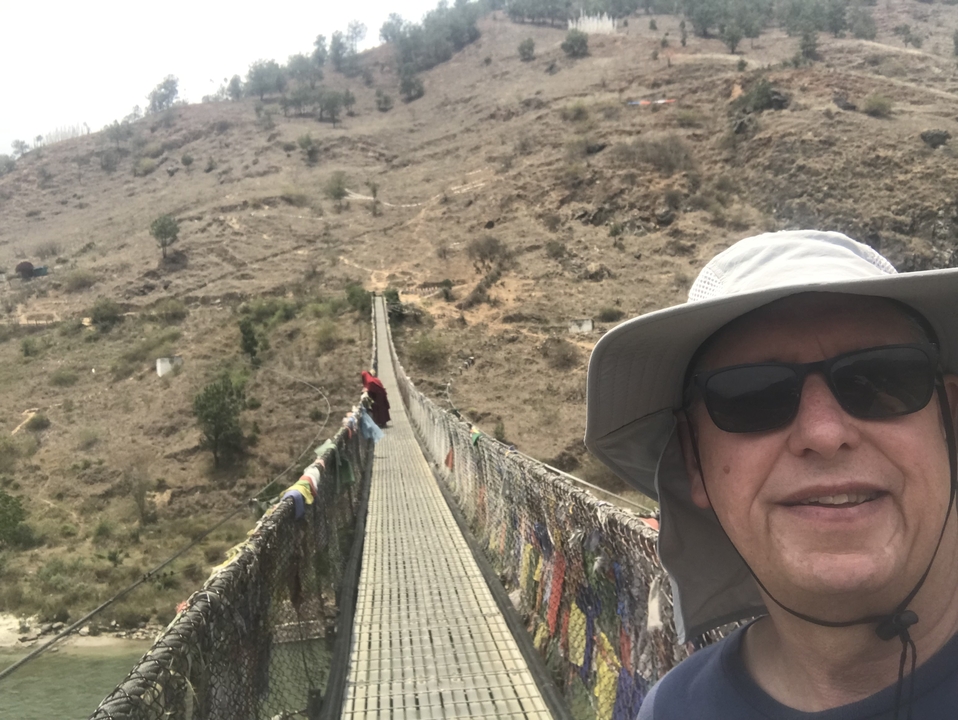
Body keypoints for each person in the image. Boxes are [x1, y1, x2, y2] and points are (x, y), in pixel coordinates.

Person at [584, 230, 958, 719]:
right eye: (751, 396)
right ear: (692, 458)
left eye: (881, 379)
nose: (824, 433)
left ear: (951, 422)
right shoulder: (673, 711)